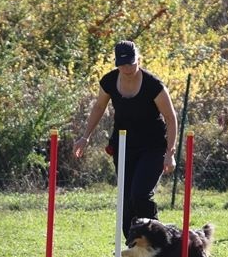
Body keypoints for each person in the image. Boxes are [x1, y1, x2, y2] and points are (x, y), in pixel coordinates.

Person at [73, 40, 178, 240]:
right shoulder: (110, 81)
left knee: (140, 195)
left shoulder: (153, 85)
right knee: (127, 200)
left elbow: (171, 118)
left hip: (152, 147)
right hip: (123, 146)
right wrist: (85, 137)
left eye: (130, 63)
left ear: (138, 59)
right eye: (122, 64)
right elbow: (98, 108)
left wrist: (169, 153)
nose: (127, 68)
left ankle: (155, 242)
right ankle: (134, 249)